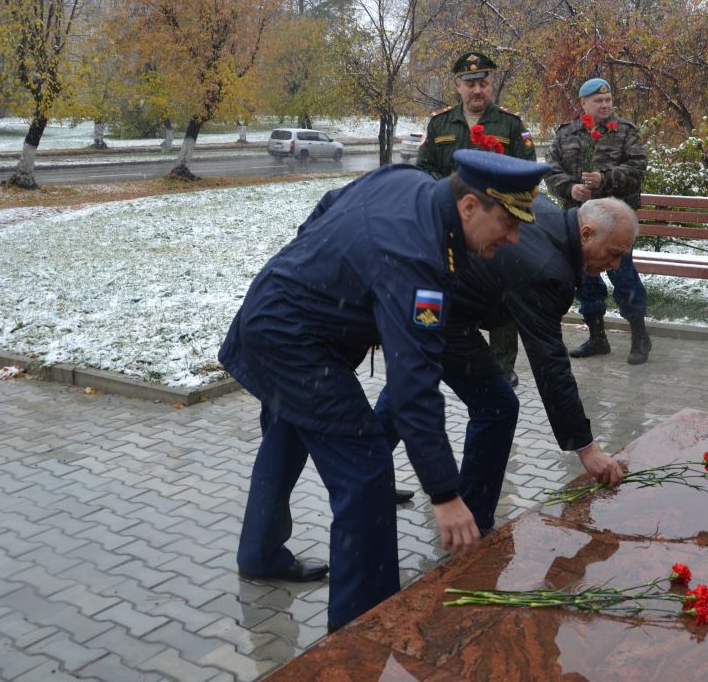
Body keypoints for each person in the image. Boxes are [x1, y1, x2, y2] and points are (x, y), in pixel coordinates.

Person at [219, 150, 553, 632]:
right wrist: (444, 493)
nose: (515, 236)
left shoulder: (409, 180)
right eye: (507, 221)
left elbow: (327, 204)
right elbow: (413, 383)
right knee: (365, 469)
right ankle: (362, 635)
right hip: (294, 342)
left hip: (274, 314)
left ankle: (259, 552)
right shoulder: (418, 258)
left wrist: (316, 270)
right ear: (468, 208)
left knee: (290, 431)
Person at [381, 195, 633, 532]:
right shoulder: (549, 271)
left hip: (429, 292)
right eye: (614, 253)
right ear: (586, 233)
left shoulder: (547, 211)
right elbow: (550, 363)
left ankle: (363, 469)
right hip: (434, 306)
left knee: (407, 389)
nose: (615, 265)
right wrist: (585, 448)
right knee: (497, 407)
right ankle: (473, 524)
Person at [417, 50, 538, 388]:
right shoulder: (439, 123)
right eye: (469, 83)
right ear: (458, 86)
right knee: (447, 289)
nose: (477, 90)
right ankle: (449, 352)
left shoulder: (510, 125)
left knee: (502, 293)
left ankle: (502, 366)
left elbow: (528, 171)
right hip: (451, 226)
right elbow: (423, 169)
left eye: (483, 82)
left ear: (491, 84)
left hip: (493, 227)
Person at [545, 77, 652, 364]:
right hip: (581, 224)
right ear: (583, 104)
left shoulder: (626, 132)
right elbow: (551, 169)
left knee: (624, 278)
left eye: (608, 100)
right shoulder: (567, 134)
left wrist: (606, 178)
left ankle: (640, 337)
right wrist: (570, 188)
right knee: (586, 282)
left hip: (615, 223)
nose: (605, 105)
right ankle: (597, 337)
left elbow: (638, 168)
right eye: (598, 101)